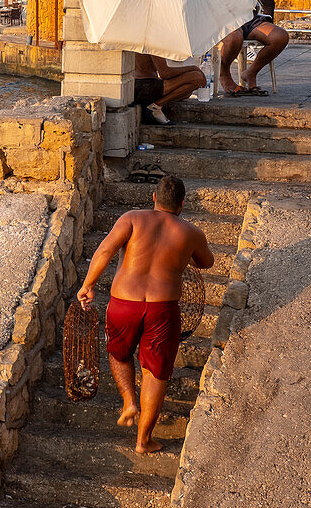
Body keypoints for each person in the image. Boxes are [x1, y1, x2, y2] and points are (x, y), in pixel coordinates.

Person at [77, 176, 214, 454]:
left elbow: (105, 249)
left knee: (118, 353)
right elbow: (206, 262)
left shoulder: (132, 218)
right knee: (155, 374)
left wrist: (88, 284)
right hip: (162, 309)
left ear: (154, 198)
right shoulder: (191, 233)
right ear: (182, 204)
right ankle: (143, 441)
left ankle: (129, 400)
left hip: (124, 303)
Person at [134, 54, 207, 125]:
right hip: (147, 87)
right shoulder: (154, 44)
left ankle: (156, 105)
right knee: (197, 77)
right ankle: (155, 106)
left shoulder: (142, 43)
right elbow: (165, 73)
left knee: (187, 92)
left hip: (140, 86)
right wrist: (192, 68)